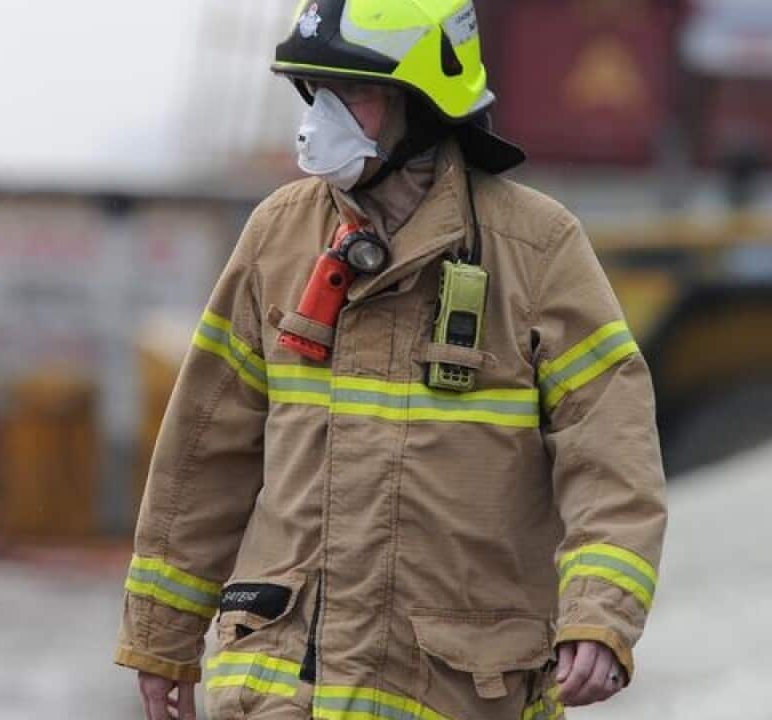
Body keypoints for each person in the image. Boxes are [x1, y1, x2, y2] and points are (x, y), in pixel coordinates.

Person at [114, 2, 668, 719]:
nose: (325, 117)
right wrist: (162, 639)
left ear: (427, 105)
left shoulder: (536, 250)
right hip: (283, 689)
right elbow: (202, 454)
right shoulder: (277, 236)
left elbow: (612, 451)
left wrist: (601, 614)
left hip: (456, 691)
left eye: (356, 92)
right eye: (316, 91)